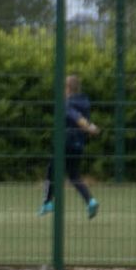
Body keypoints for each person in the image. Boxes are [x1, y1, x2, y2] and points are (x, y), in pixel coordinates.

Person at [38, 74, 101, 219]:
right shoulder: (84, 102)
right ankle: (90, 201)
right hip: (78, 144)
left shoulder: (66, 103)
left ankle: (47, 203)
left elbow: (76, 118)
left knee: (51, 171)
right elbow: (82, 119)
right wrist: (90, 127)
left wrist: (89, 127)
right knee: (74, 175)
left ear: (67, 88)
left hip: (64, 143)